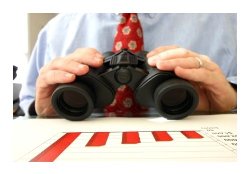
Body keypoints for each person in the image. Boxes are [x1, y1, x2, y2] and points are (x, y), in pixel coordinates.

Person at [19, 13, 237, 118]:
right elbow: (28, 103)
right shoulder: (54, 30)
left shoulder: (229, 21)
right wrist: (45, 110)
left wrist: (232, 98)